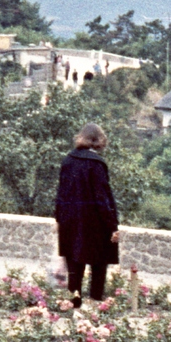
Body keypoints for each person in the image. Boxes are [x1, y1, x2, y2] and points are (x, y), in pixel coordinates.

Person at [54, 123, 120, 306]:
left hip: (70, 221)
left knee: (74, 265)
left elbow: (60, 194)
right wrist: (112, 225)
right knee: (99, 264)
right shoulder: (96, 164)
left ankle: (74, 303)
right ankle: (96, 302)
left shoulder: (68, 160)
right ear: (98, 141)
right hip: (94, 224)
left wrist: (59, 219)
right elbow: (102, 198)